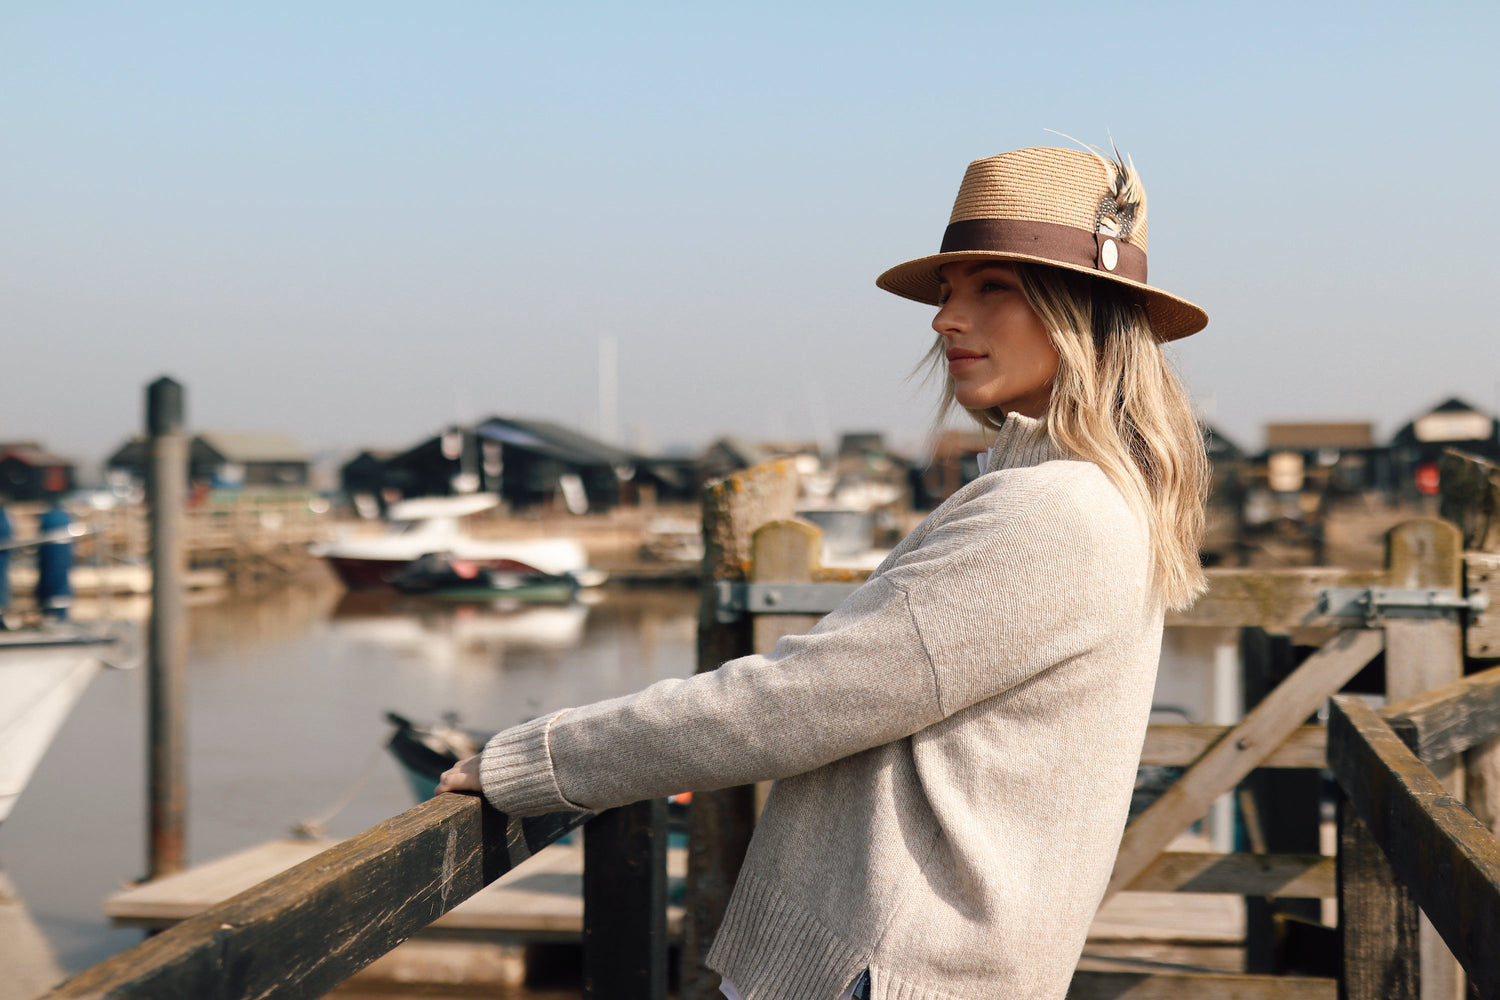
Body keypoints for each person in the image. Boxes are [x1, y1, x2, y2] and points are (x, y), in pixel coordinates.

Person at [439, 143, 1210, 1000]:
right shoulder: (1082, 494)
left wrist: (541, 761)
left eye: (993, 287)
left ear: (1087, 313)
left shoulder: (1049, 511)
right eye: (949, 290)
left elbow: (794, 702)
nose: (945, 318)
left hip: (888, 969)